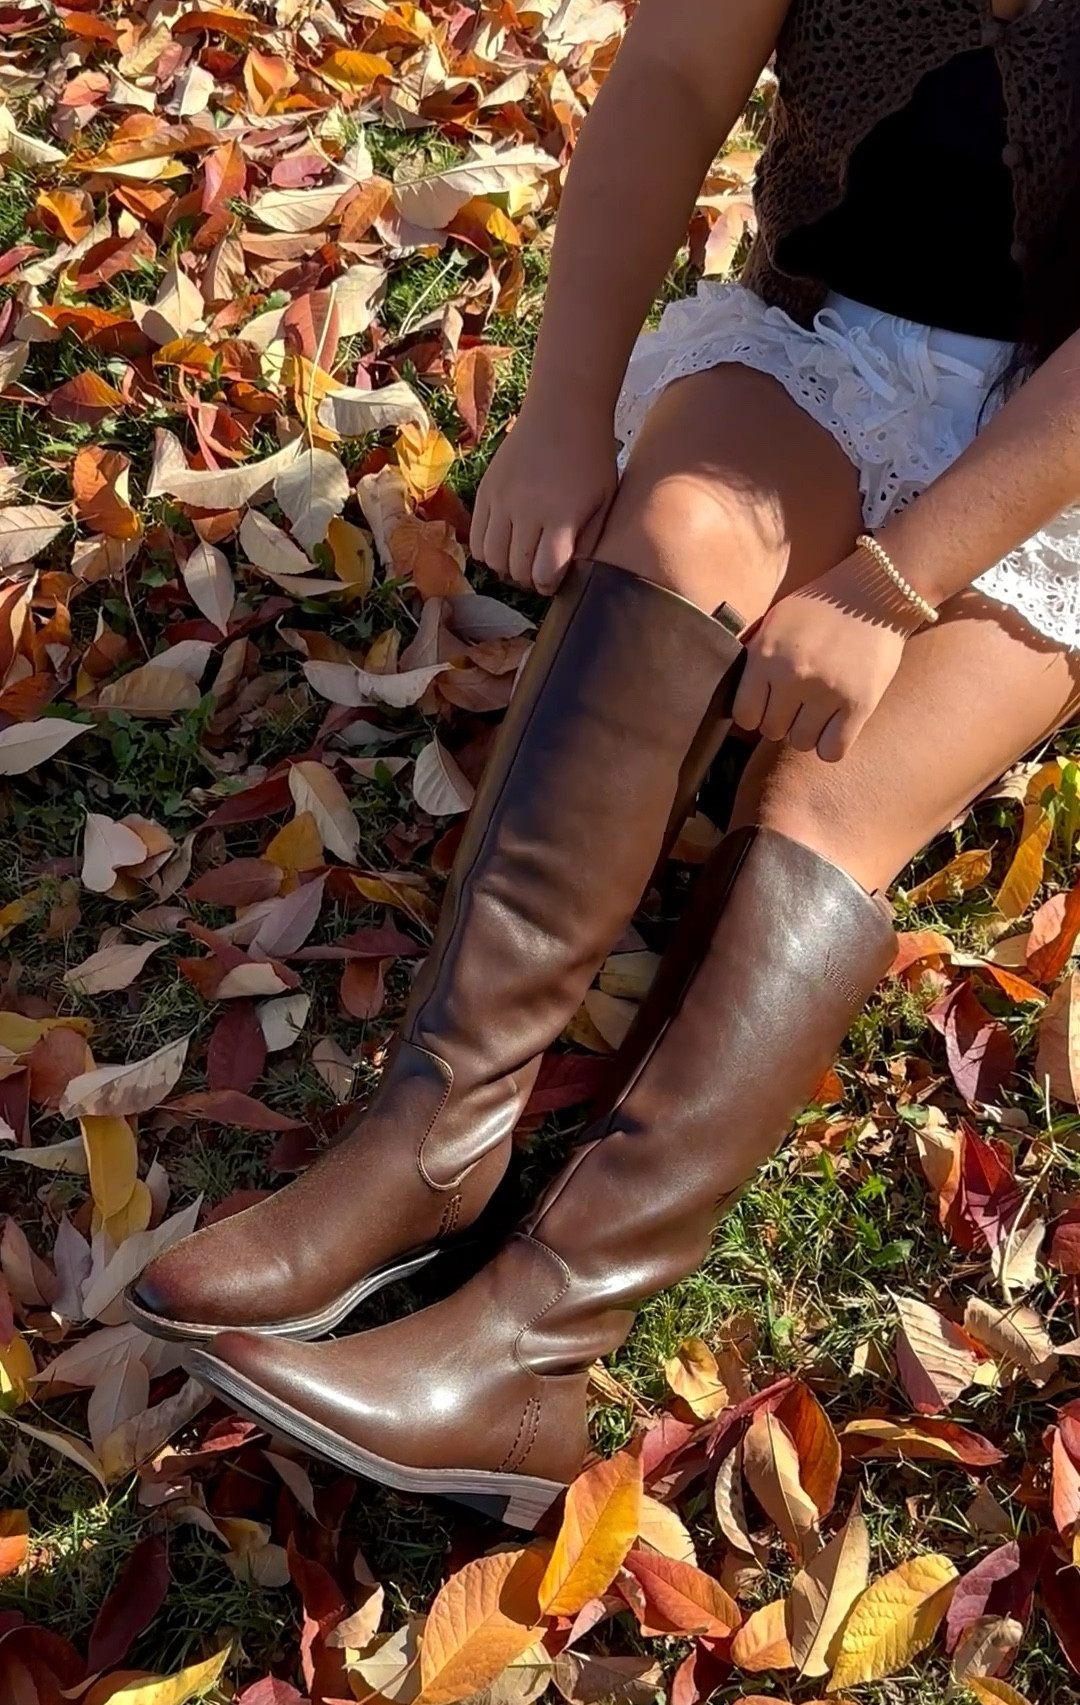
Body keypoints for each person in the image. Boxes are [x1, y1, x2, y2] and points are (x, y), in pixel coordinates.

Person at [130, 0, 1080, 1528]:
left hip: (1059, 456)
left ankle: (537, 1345)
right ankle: (429, 1143)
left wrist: (892, 587)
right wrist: (565, 413)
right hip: (835, 334)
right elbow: (677, 71)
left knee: (829, 800)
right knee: (675, 536)